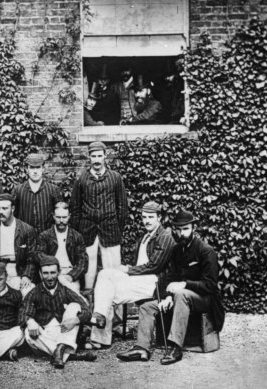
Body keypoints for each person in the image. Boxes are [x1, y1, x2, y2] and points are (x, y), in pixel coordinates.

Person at [117, 209, 225, 365]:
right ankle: (141, 348)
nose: (182, 233)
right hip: (181, 298)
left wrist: (185, 284)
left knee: (181, 294)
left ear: (193, 228)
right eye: (179, 229)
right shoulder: (177, 250)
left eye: (186, 229)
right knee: (148, 307)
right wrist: (168, 296)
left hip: (206, 300)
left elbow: (210, 285)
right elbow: (170, 278)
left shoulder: (206, 251)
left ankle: (175, 347)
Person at [89, 201, 176, 349]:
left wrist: (128, 270)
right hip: (139, 278)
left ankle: (99, 338)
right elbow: (138, 262)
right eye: (144, 217)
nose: (146, 221)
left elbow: (155, 266)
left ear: (159, 218)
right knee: (105, 275)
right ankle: (99, 316)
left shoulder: (165, 237)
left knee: (107, 290)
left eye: (150, 217)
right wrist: (128, 267)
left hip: (154, 283)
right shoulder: (144, 237)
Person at [70, 141, 128, 292]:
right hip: (87, 230)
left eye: (99, 156)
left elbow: (122, 207)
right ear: (89, 157)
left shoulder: (115, 178)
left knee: (113, 271)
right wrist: (78, 231)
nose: (96, 160)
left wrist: (116, 227)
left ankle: (114, 312)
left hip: (110, 229)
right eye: (93, 156)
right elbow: (75, 208)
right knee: (88, 270)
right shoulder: (81, 179)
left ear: (105, 156)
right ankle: (89, 307)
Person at [20, 255, 94, 369]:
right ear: (40, 274)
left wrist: (75, 320)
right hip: (46, 336)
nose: (49, 277)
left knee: (74, 306)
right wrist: (30, 321)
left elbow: (87, 309)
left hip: (64, 331)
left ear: (59, 272)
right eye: (45, 273)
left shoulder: (65, 290)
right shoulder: (34, 292)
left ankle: (60, 350)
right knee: (27, 333)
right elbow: (23, 312)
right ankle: (67, 353)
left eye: (53, 272)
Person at [36, 202, 88, 294]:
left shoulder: (77, 236)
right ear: (53, 216)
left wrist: (71, 276)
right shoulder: (45, 236)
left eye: (64, 217)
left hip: (70, 273)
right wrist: (52, 268)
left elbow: (82, 262)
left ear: (69, 216)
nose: (61, 220)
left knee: (72, 297)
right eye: (58, 217)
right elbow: (39, 254)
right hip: (51, 272)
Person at [11, 153, 62, 235]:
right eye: (31, 168)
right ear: (26, 169)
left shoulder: (53, 190)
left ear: (43, 169)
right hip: (25, 238)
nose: (35, 171)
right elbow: (11, 214)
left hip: (47, 239)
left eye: (38, 167)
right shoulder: (18, 190)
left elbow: (60, 215)